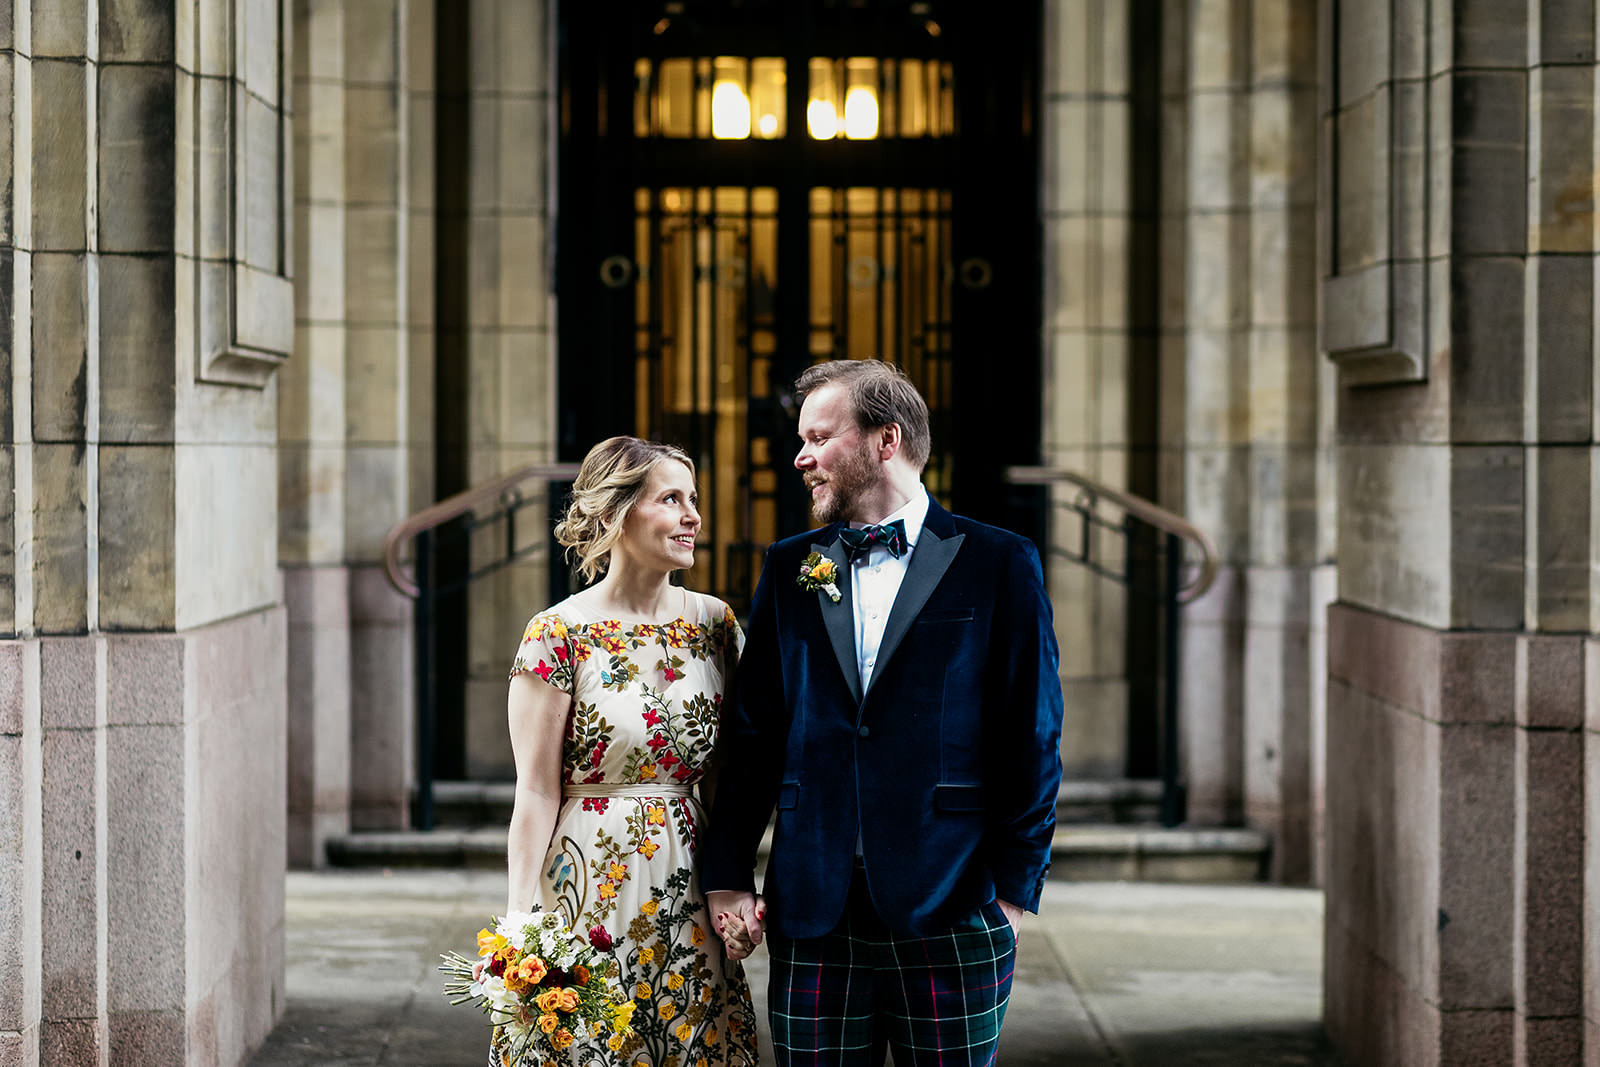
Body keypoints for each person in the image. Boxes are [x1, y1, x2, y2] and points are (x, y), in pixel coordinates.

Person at [700, 360, 1064, 1066]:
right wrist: (728, 873)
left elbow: (1033, 735)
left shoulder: (998, 562)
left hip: (954, 903)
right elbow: (754, 735)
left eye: (818, 436)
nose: (800, 456)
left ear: (885, 438)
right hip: (813, 908)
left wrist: (1014, 896)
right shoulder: (790, 566)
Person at [496, 436, 760, 1067]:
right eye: (672, 499)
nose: (694, 515)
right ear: (617, 512)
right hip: (586, 883)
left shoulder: (717, 625)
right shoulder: (559, 633)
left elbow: (732, 778)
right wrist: (520, 920)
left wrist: (735, 883)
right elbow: (534, 790)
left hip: (689, 883)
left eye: (693, 500)